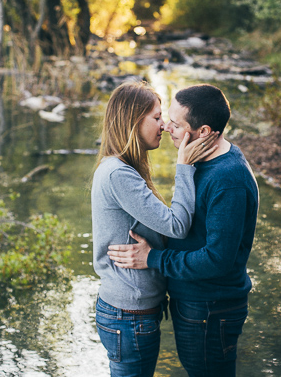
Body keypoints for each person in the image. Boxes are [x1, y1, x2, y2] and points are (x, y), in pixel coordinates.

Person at [108, 84, 259, 377]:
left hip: (210, 310)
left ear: (202, 132)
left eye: (176, 124)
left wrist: (152, 258)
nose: (166, 127)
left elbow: (217, 259)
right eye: (167, 119)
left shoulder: (228, 179)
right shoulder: (199, 162)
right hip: (198, 306)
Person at [91, 81, 218, 377]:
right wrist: (184, 165)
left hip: (131, 312)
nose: (163, 126)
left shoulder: (123, 168)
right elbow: (176, 225)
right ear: (133, 121)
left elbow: (161, 227)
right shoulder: (118, 174)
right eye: (157, 117)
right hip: (128, 314)